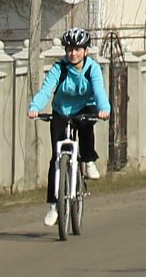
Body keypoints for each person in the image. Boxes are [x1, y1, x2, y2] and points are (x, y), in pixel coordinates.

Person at [27, 27, 111, 227]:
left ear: (85, 50)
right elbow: (47, 88)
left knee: (86, 127)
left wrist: (104, 109)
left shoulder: (92, 68)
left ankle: (89, 161)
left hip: (85, 107)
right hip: (62, 110)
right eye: (69, 49)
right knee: (56, 158)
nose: (73, 53)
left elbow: (99, 91)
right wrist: (35, 107)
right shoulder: (60, 68)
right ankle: (53, 207)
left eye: (77, 49)